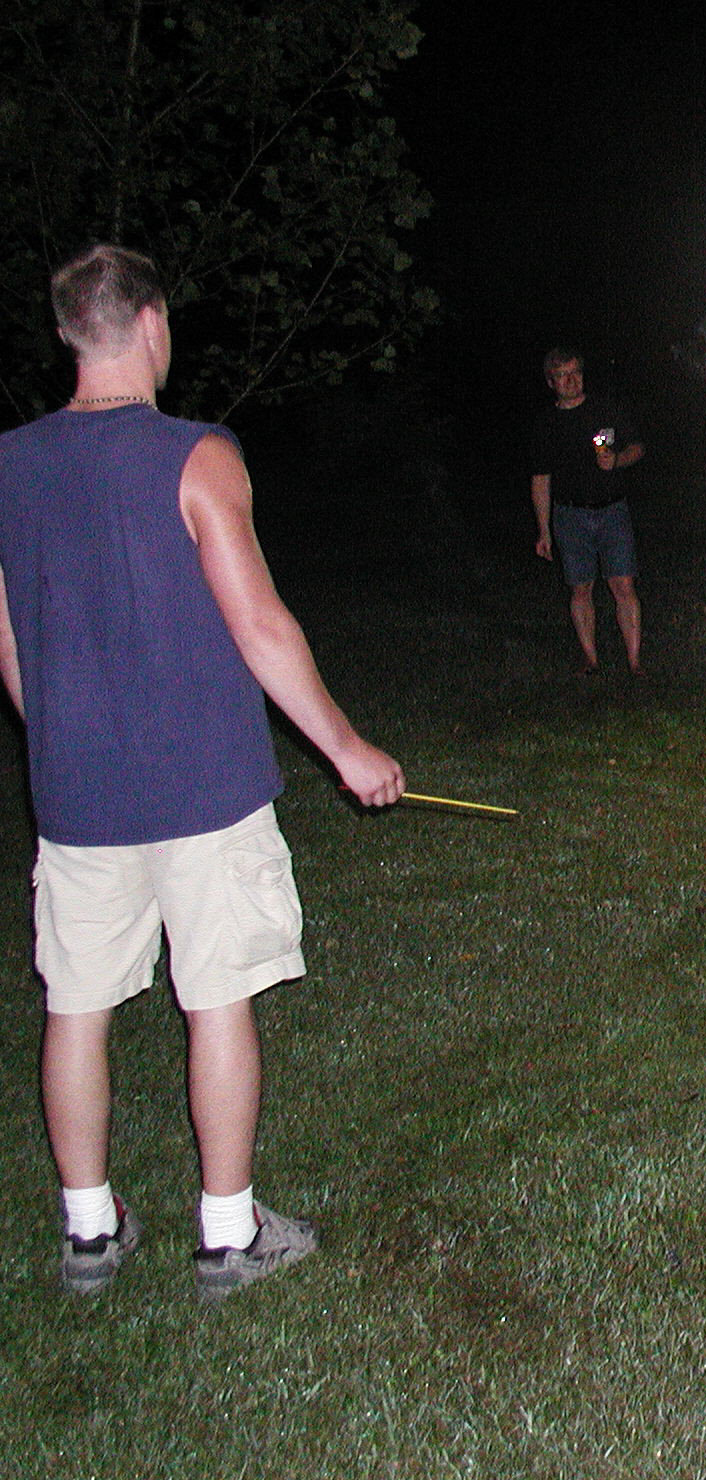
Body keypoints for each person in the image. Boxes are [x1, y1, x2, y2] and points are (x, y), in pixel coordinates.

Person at [0, 244, 405, 1301]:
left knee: (75, 1007)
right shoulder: (197, 453)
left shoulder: (11, 463)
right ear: (147, 324)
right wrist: (347, 749)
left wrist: (60, 731)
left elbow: (9, 634)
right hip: (204, 788)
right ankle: (227, 1234)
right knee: (216, 999)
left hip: (77, 795)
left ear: (69, 333)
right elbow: (261, 624)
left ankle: (89, 1229)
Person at [528, 348, 645, 674]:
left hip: (612, 511)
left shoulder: (605, 409)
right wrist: (543, 529)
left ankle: (635, 663)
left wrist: (617, 460)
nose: (571, 379)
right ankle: (590, 660)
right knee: (580, 588)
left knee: (623, 585)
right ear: (551, 382)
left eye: (575, 372)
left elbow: (637, 447)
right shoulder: (547, 423)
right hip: (570, 515)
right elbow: (540, 478)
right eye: (562, 375)